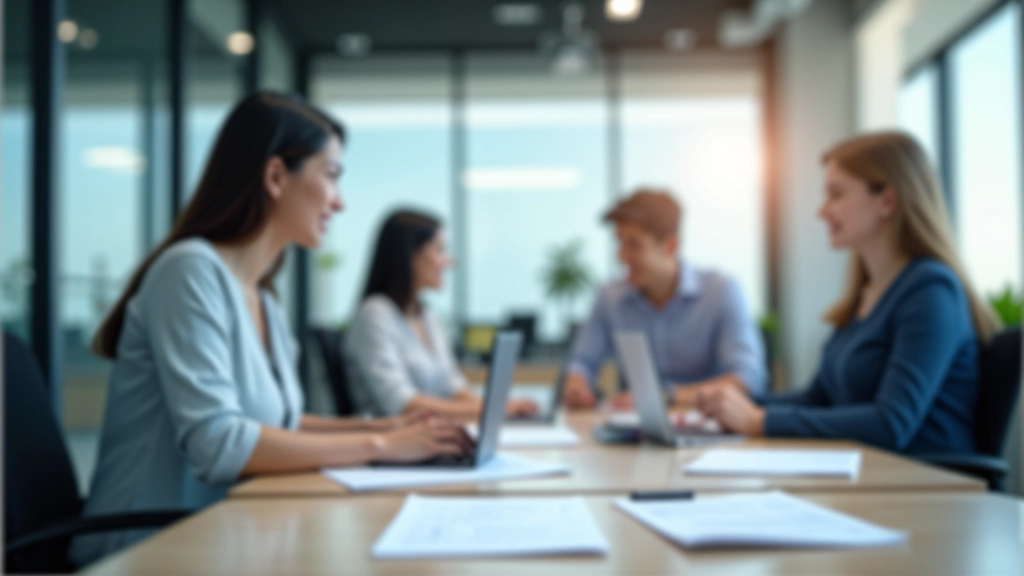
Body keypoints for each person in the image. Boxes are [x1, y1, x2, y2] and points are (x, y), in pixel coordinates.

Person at [71, 93, 471, 566]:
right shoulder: (189, 272)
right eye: (332, 175)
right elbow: (219, 445)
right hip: (147, 548)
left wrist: (390, 425)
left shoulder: (263, 297)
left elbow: (282, 424)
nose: (339, 202)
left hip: (230, 535)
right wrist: (381, 446)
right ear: (276, 176)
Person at [696, 131, 1001, 454]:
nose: (822, 211)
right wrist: (732, 404)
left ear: (887, 201)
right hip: (870, 475)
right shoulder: (865, 295)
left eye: (836, 194)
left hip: (927, 487)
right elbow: (817, 400)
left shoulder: (931, 290)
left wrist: (760, 420)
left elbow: (890, 424)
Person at [563, 189, 767, 410]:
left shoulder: (722, 291)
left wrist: (666, 397)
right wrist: (577, 385)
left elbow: (748, 379)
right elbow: (582, 362)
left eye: (634, 245)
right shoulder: (610, 297)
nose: (622, 257)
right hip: (633, 433)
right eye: (620, 244)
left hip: (709, 427)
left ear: (670, 246)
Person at [346, 210, 538, 419]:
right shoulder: (375, 314)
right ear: (410, 255)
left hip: (430, 437)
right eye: (439, 250)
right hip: (392, 443)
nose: (449, 261)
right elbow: (404, 404)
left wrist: (500, 406)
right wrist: (490, 409)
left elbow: (453, 386)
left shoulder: (427, 315)